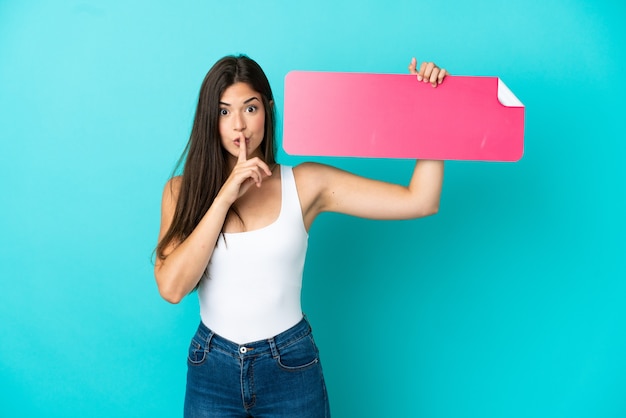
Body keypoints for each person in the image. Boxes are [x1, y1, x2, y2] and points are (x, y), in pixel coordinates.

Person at [154, 54, 447, 418]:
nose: (239, 126)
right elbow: (171, 288)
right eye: (224, 111)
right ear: (209, 119)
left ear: (269, 109)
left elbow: (420, 200)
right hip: (211, 368)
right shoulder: (181, 192)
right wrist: (225, 195)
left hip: (289, 366)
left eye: (250, 108)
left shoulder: (306, 183)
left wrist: (437, 105)